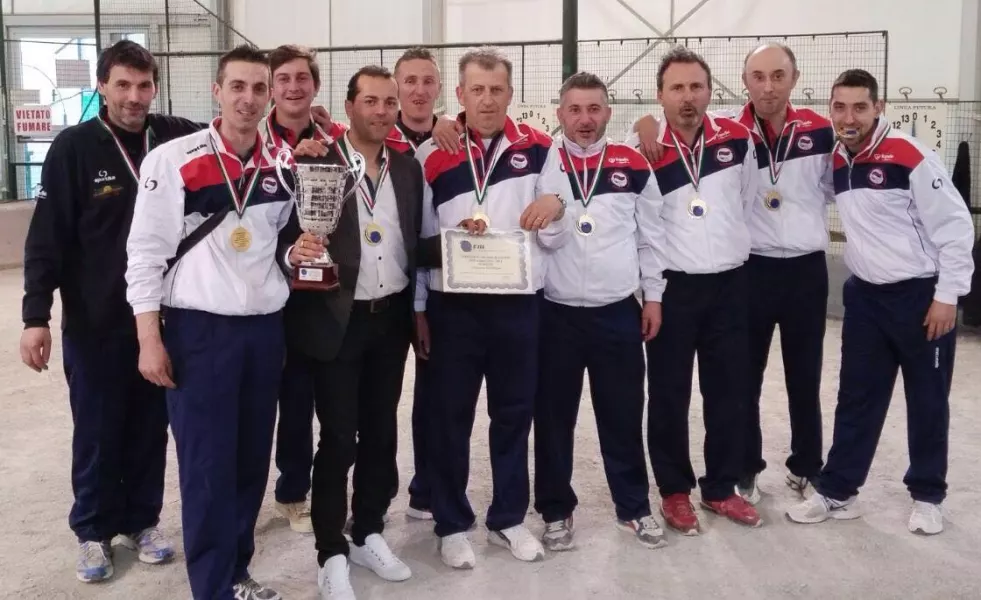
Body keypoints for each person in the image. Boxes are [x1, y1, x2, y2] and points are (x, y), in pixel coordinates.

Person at [19, 40, 202, 583]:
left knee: (150, 427)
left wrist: (308, 122)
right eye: (122, 84)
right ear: (102, 85)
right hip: (96, 322)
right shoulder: (74, 148)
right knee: (98, 431)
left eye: (144, 85)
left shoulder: (175, 137)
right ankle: (94, 531)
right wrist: (35, 317)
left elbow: (241, 134)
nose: (133, 97)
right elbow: (46, 239)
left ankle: (143, 521)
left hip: (164, 319)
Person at [125, 44, 295, 600]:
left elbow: (280, 247)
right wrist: (150, 339)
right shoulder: (172, 160)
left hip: (264, 331)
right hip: (200, 332)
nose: (249, 99)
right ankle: (211, 587)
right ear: (217, 92)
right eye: (238, 87)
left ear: (269, 97)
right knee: (206, 465)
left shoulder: (284, 164)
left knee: (251, 461)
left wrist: (304, 255)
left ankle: (237, 570)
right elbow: (146, 255)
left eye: (259, 89)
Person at [632, 43, 835, 503]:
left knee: (780, 378)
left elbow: (747, 199)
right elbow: (671, 116)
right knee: (706, 387)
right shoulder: (695, 135)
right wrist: (643, 121)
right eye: (758, 76)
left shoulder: (799, 131)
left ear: (795, 78)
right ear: (744, 82)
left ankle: (784, 470)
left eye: (778, 75)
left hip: (774, 273)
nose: (769, 85)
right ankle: (714, 477)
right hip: (715, 278)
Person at [787, 69, 974, 536]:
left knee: (927, 400)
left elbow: (956, 229)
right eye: (840, 107)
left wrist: (947, 296)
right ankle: (838, 490)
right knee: (856, 397)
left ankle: (928, 495)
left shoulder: (911, 157)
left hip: (920, 297)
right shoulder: (836, 159)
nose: (849, 117)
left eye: (860, 107)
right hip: (865, 297)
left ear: (879, 107)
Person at [415, 45, 565, 569]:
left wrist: (556, 209)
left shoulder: (543, 149)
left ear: (510, 93)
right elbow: (421, 236)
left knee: (513, 415)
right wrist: (419, 309)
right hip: (452, 306)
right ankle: (451, 523)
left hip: (518, 306)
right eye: (476, 89)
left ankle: (507, 518)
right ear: (459, 95)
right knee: (449, 417)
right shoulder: (431, 152)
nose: (486, 99)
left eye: (496, 89)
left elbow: (557, 237)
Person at [277, 64, 423, 600]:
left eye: (390, 102)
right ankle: (329, 552)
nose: (383, 111)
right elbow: (288, 232)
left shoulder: (407, 170)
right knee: (339, 438)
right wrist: (294, 250)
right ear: (350, 106)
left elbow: (411, 240)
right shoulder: (318, 160)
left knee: (381, 433)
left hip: (391, 320)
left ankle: (367, 533)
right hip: (337, 321)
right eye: (372, 101)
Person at [626, 46, 762, 534]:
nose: (688, 97)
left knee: (729, 390)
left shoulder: (738, 139)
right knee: (668, 394)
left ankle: (722, 488)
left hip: (730, 283)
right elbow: (642, 226)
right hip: (674, 288)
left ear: (710, 91)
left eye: (696, 86)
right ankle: (674, 491)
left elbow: (745, 201)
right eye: (677, 88)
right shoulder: (641, 148)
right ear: (660, 95)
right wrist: (653, 293)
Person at [532, 72, 668, 552]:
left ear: (609, 113)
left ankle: (633, 506)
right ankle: (555, 510)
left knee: (623, 414)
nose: (585, 120)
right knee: (552, 418)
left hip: (616, 311)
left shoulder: (631, 163)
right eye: (575, 110)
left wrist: (653, 296)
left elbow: (651, 234)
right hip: (557, 313)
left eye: (594, 109)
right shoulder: (542, 163)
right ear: (560, 113)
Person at [264, 43, 347, 535]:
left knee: (330, 397)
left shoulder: (335, 137)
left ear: (315, 86)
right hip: (274, 287)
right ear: (271, 87)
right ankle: (291, 493)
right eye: (284, 79)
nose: (294, 87)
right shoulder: (253, 138)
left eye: (303, 78)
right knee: (291, 398)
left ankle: (329, 488)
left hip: (327, 285)